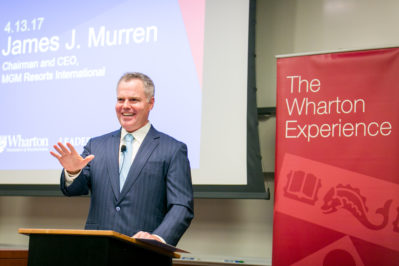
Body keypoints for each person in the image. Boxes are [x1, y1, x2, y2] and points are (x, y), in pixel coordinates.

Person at [50, 72, 194, 246]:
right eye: (120, 100)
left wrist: (158, 238)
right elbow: (74, 190)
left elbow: (181, 206)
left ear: (151, 103)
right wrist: (73, 171)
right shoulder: (96, 146)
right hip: (97, 250)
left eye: (134, 100)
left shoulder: (172, 149)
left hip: (144, 252)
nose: (125, 106)